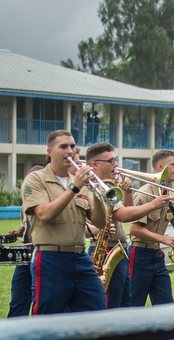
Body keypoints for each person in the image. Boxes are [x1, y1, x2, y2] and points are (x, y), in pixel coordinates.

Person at [21, 130, 108, 315]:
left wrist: (98, 193)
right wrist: (74, 187)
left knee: (98, 311)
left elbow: (100, 223)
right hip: (51, 258)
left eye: (72, 146)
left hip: (80, 257)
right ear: (49, 151)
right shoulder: (36, 179)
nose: (69, 151)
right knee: (48, 318)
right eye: (63, 147)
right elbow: (44, 214)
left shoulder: (80, 182)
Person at [84, 142, 167, 308]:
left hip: (119, 249)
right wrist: (153, 204)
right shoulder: (94, 186)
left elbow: (128, 211)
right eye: (111, 161)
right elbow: (123, 215)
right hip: (105, 250)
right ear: (95, 164)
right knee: (110, 304)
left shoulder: (108, 185)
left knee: (124, 303)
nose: (116, 165)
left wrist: (128, 192)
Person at [126, 149, 174, 307]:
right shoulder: (144, 193)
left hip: (157, 255)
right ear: (160, 167)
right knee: (134, 304)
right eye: (173, 165)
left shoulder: (172, 195)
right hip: (139, 255)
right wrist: (164, 239)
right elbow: (134, 230)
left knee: (166, 305)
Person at [6, 164, 43, 318]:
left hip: (40, 253)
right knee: (18, 299)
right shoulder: (25, 206)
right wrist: (19, 231)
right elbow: (26, 226)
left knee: (39, 298)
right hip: (25, 255)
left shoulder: (44, 203)